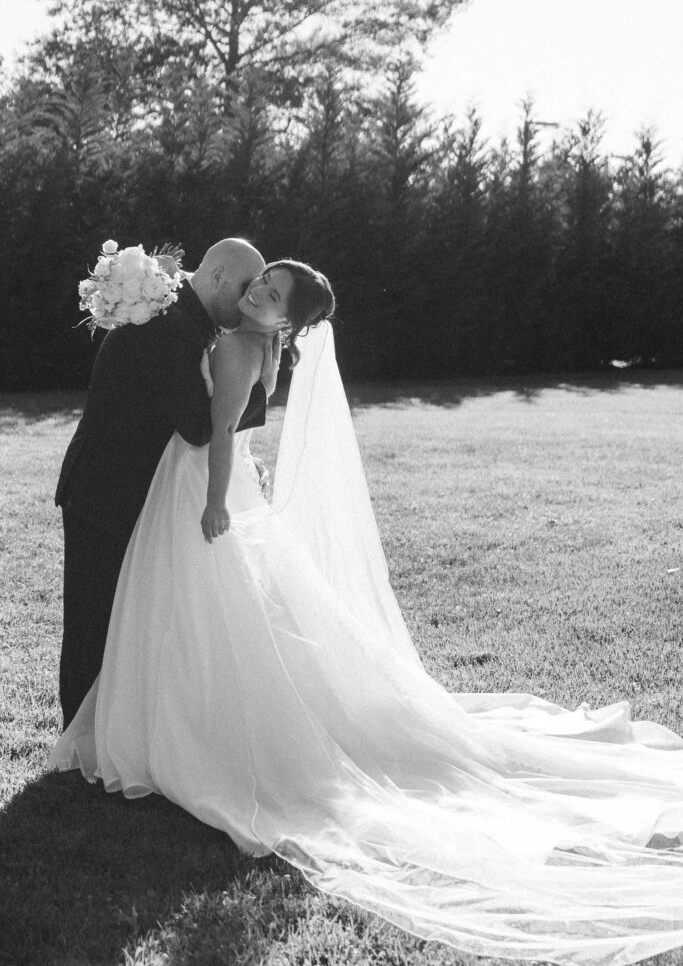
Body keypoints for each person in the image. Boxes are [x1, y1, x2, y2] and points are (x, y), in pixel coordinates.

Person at [51, 263, 683, 966]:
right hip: (206, 485)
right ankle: (175, 713)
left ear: (286, 321)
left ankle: (182, 727)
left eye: (272, 294)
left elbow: (218, 430)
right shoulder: (260, 346)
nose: (257, 291)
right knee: (209, 615)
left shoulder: (235, 345)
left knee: (193, 611)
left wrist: (214, 503)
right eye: (262, 281)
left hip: (200, 491)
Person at [55, 237, 281, 728]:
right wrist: (263, 390)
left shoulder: (181, 318)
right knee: (93, 623)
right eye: (246, 284)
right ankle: (77, 742)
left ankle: (113, 732)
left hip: (128, 489)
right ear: (217, 277)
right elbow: (199, 425)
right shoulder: (169, 326)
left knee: (126, 622)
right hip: (106, 493)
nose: (251, 297)